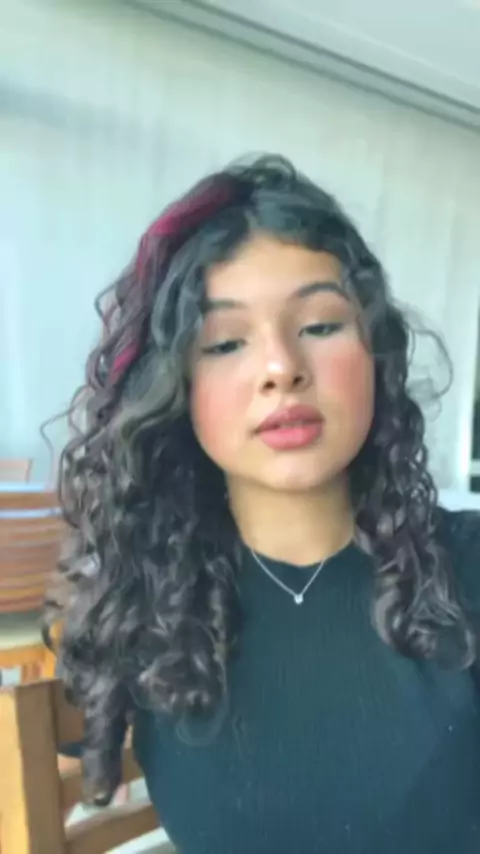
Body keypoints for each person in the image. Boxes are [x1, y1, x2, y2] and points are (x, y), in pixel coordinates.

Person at [45, 155, 480, 854]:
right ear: (174, 388)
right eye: (225, 342)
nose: (281, 367)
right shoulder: (148, 610)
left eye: (320, 326)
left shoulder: (468, 569)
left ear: (375, 353)